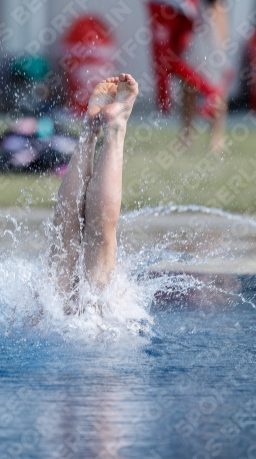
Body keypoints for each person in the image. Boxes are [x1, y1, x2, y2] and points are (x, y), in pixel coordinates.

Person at [48, 73, 139, 312]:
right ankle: (115, 130)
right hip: (95, 339)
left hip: (50, 331)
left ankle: (88, 134)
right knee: (98, 295)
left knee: (58, 280)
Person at [145, 0, 230, 150]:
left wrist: (220, 43)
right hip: (188, 16)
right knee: (188, 78)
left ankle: (216, 137)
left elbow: (218, 6)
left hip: (208, 14)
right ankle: (187, 134)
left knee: (215, 79)